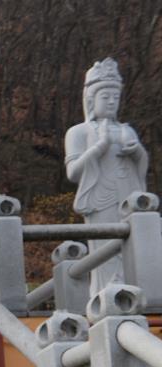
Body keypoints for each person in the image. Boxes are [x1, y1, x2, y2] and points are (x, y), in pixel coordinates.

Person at [64, 58, 150, 290]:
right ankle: (107, 295)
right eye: (105, 97)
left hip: (128, 194)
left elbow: (142, 167)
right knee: (105, 251)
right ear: (91, 100)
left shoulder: (126, 130)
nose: (112, 101)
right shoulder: (78, 132)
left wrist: (138, 153)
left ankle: (139, 292)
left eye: (116, 96)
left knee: (135, 248)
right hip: (101, 197)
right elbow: (73, 172)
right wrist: (98, 148)